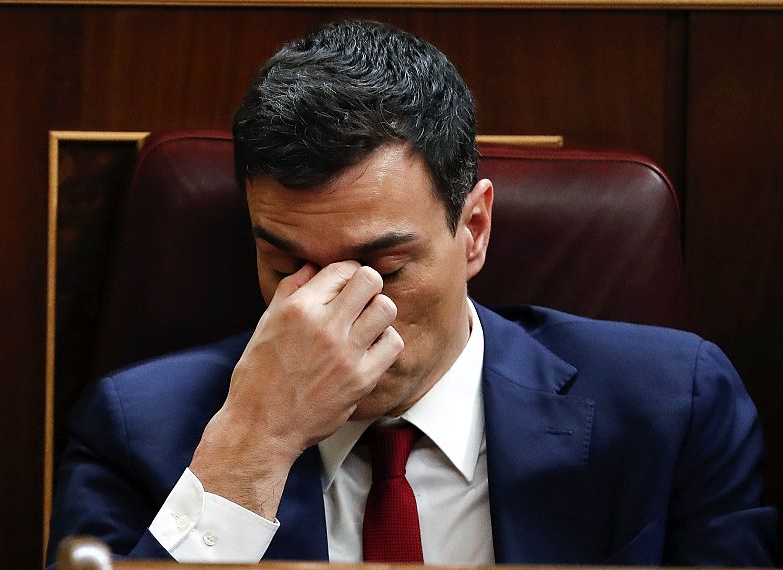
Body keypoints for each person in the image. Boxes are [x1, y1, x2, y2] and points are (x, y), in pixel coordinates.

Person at [47, 20, 779, 566]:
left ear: (476, 230)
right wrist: (252, 450)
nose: (336, 311)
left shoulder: (674, 405)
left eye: (385, 267)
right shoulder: (135, 432)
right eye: (288, 266)